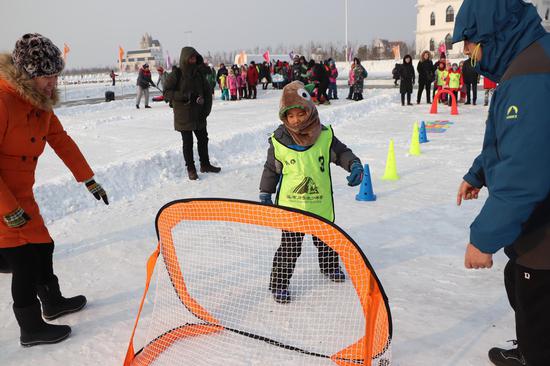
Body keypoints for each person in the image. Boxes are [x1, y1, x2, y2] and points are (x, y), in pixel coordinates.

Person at [453, 0, 550, 365]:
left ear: (489, 34)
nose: (467, 54)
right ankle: (530, 349)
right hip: (537, 225)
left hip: (544, 232)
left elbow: (525, 171)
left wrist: (483, 239)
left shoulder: (532, 74)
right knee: (518, 282)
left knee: (534, 297)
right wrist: (479, 172)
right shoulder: (525, 62)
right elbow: (514, 139)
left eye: (468, 44)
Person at [0, 33, 109, 347]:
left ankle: (52, 302)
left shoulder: (41, 105)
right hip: (2, 198)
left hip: (22, 196)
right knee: (23, 261)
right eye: (46, 78)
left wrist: (87, 178)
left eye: (55, 77)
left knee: (43, 245)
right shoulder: (4, 101)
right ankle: (30, 328)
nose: (52, 84)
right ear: (28, 75)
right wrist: (8, 208)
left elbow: (62, 142)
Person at [259, 81, 364, 304]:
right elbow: (271, 169)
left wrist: (354, 164)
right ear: (284, 118)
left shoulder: (324, 136)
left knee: (327, 241)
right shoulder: (279, 142)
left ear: (310, 110)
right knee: (289, 248)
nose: (296, 120)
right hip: (292, 206)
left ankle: (329, 267)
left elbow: (341, 153)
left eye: (300, 113)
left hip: (319, 204)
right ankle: (279, 284)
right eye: (291, 116)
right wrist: (265, 193)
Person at [163, 47, 220, 180]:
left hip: (199, 114)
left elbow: (207, 92)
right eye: (191, 58)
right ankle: (191, 169)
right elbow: (166, 93)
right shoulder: (176, 74)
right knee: (188, 143)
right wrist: (183, 95)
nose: (193, 60)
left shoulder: (199, 74)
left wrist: (206, 111)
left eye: (195, 58)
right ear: (185, 58)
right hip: (183, 116)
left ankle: (205, 164)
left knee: (203, 139)